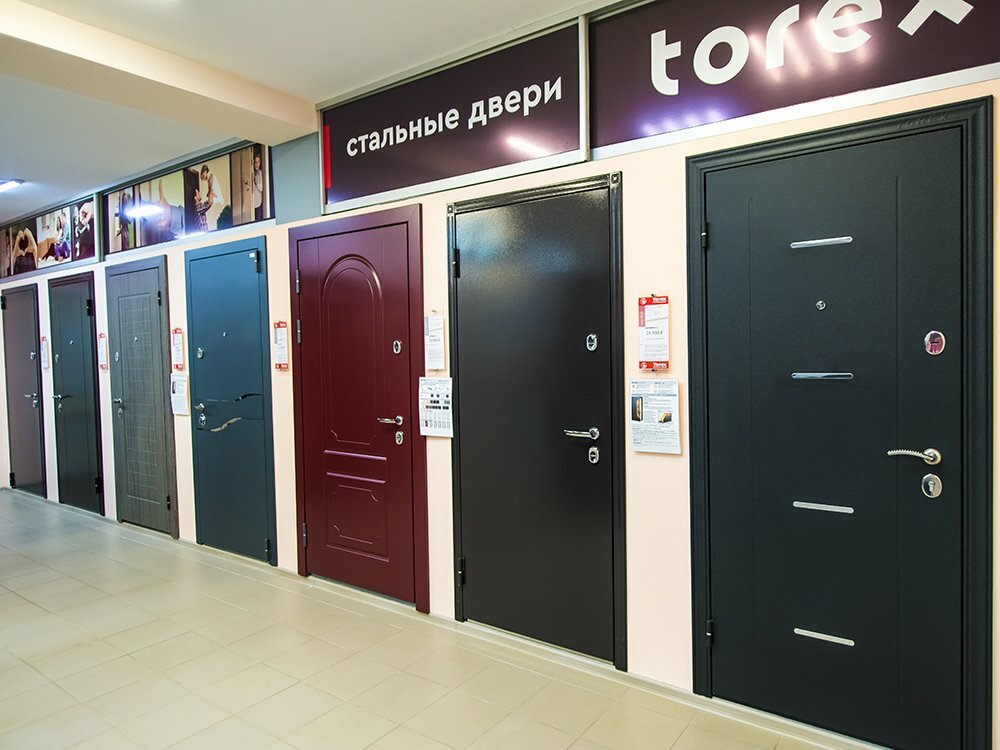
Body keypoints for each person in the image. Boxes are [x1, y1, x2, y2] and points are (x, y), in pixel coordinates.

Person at [252, 152, 264, 221]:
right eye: (255, 162)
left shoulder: (260, 172)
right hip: (251, 202)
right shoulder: (251, 172)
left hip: (258, 202)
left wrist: (256, 181)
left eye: (258, 162)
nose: (257, 164)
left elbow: (261, 188)